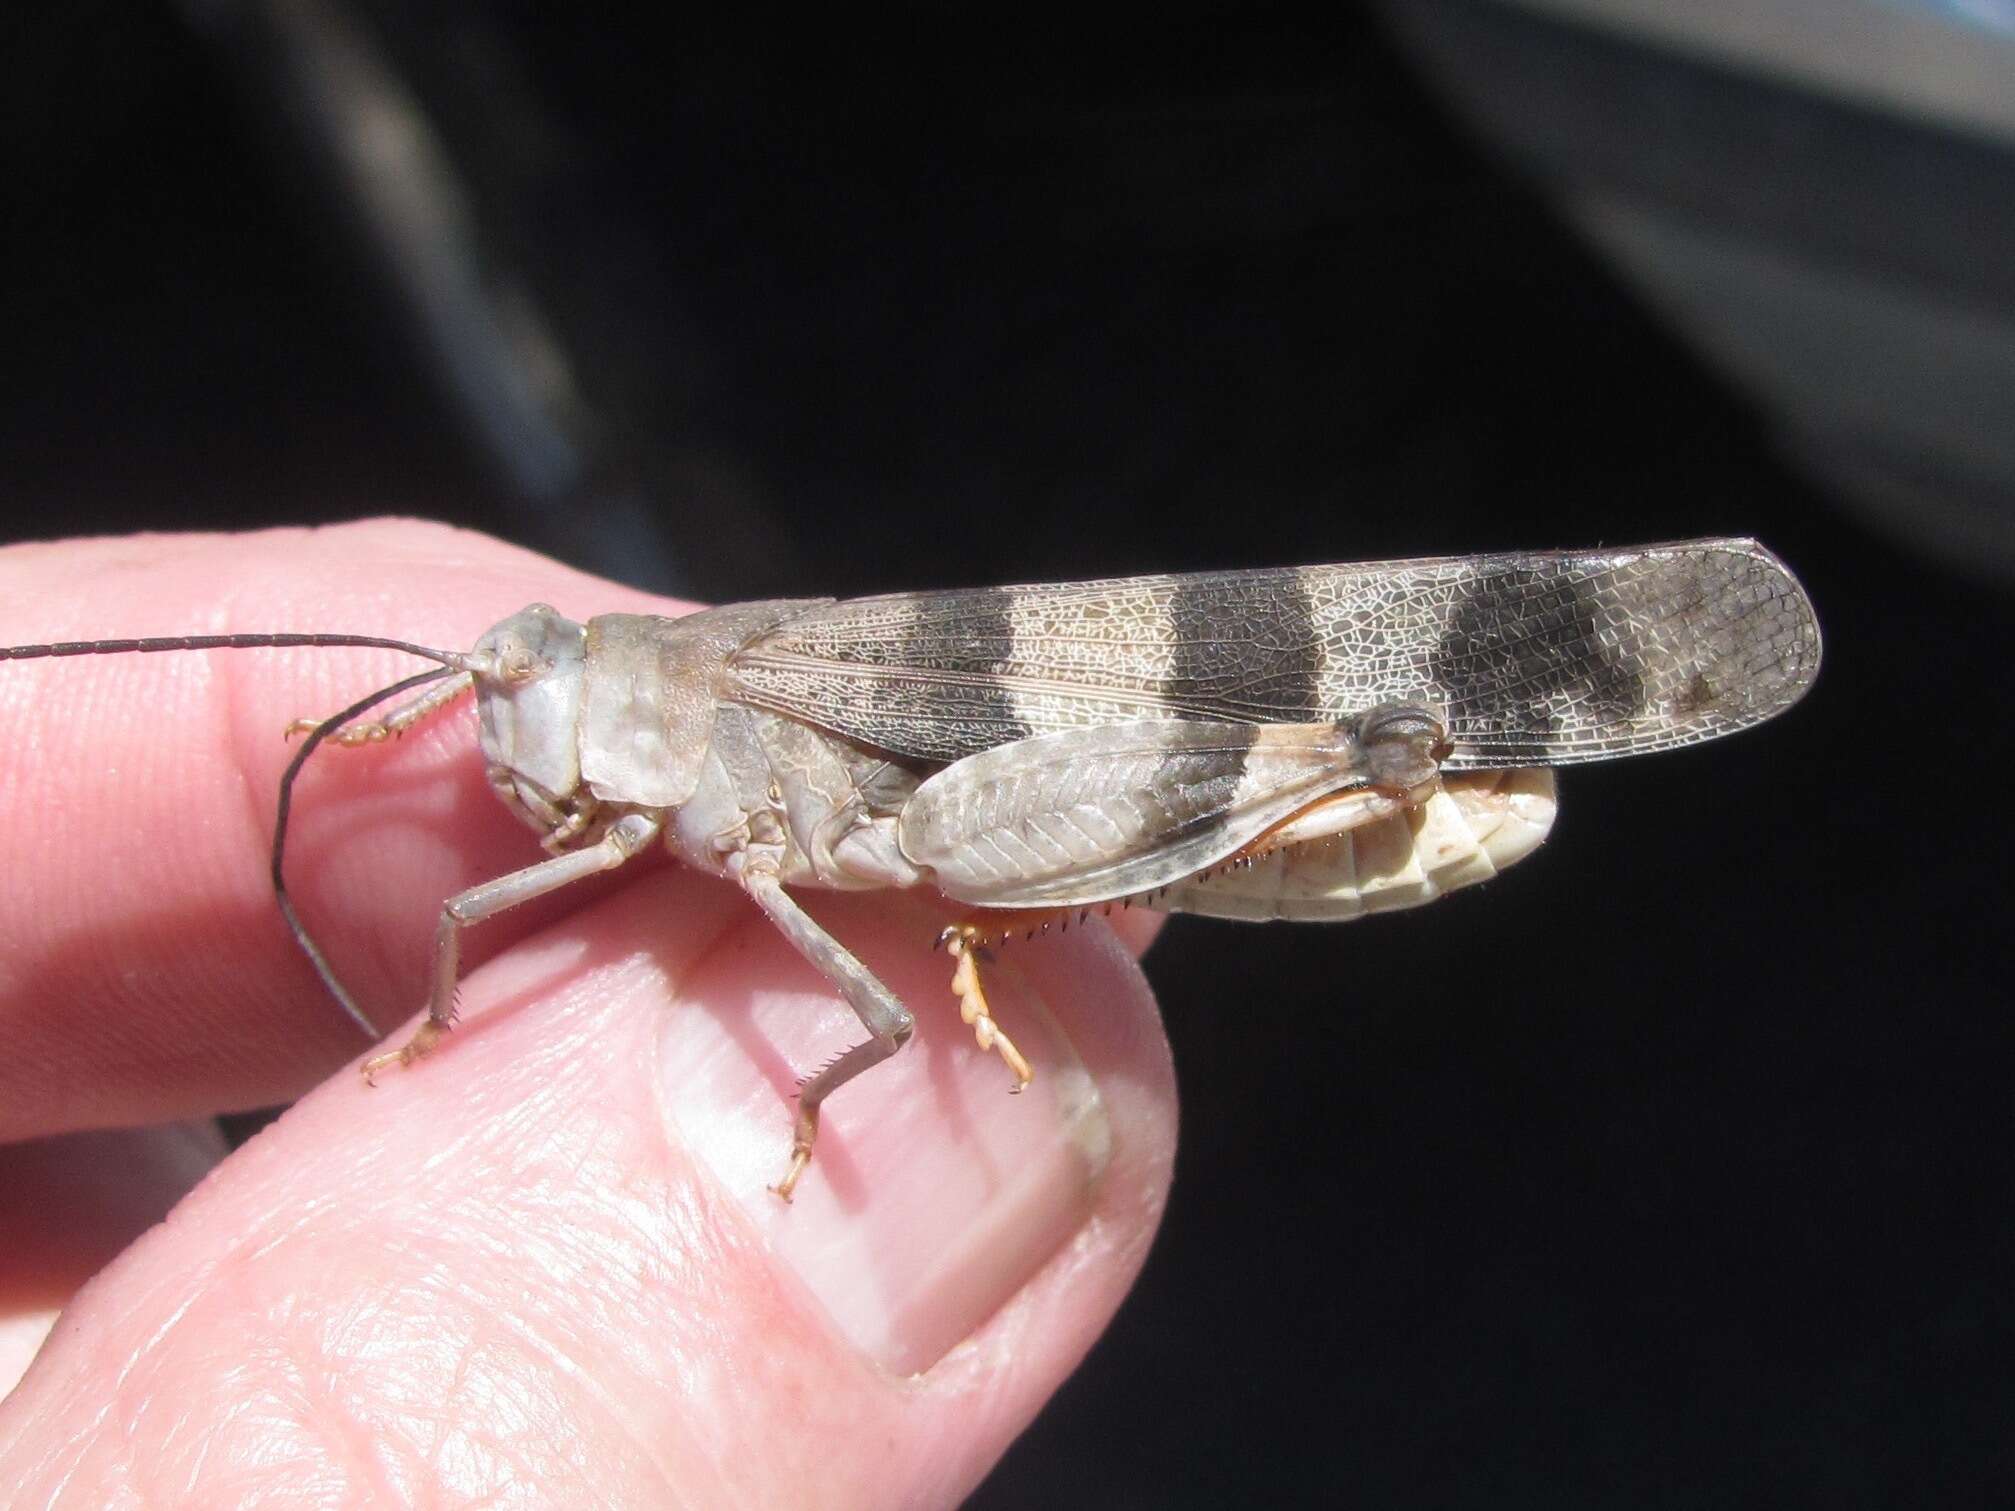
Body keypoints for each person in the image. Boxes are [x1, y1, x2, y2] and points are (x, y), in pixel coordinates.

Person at [0, 520, 1177, 1504]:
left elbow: (881, 1019)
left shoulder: (724, 719)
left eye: (527, 692)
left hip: (1096, 770)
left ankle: (1367, 751)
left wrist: (805, 1112)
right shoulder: (648, 747)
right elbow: (462, 891)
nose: (510, 748)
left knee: (883, 1003)